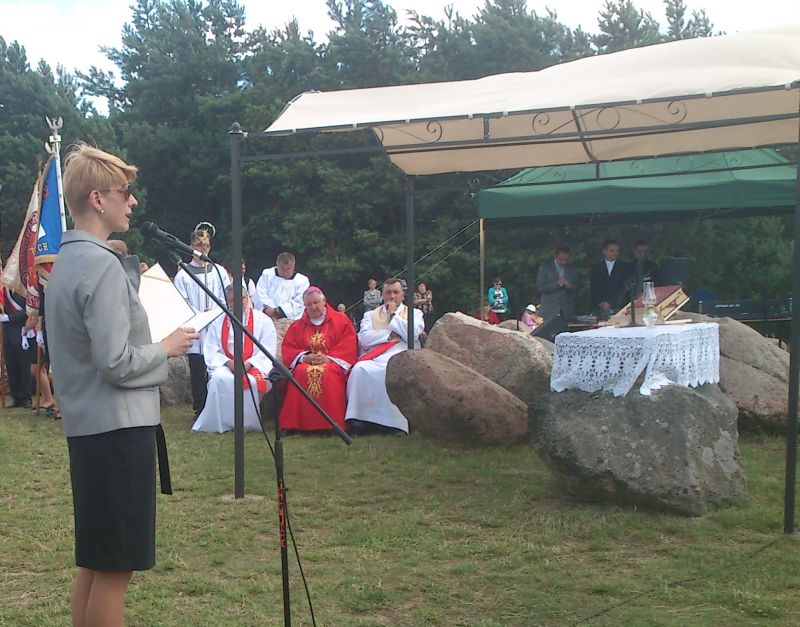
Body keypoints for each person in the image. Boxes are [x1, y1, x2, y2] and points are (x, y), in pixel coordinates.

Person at [45, 143, 197, 627]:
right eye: (124, 192)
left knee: (97, 561)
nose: (132, 202)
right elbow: (115, 361)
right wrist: (167, 348)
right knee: (115, 569)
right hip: (117, 431)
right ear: (97, 198)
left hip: (89, 429)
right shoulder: (103, 266)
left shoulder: (66, 262)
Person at [192, 286, 276, 434]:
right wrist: (228, 363)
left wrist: (249, 363)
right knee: (219, 379)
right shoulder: (218, 321)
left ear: (247, 298)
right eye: (232, 300)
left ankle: (248, 423)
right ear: (227, 302)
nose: (238, 303)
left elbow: (268, 348)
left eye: (241, 299)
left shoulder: (263, 320)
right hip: (226, 363)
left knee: (251, 381)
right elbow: (211, 348)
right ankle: (222, 421)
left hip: (254, 364)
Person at [345, 278, 424, 436]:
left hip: (401, 353)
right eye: (388, 292)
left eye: (396, 292)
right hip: (377, 354)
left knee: (395, 370)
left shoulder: (414, 313)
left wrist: (393, 315)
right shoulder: (370, 314)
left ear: (403, 295)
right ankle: (358, 421)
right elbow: (364, 338)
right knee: (360, 369)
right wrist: (390, 335)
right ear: (382, 295)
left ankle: (395, 424)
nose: (392, 296)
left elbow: (413, 334)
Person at [279, 287, 358, 433]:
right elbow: (289, 348)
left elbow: (348, 344)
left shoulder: (341, 321)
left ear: (324, 301)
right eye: (309, 304)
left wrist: (328, 358)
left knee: (327, 375)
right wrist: (304, 357)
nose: (313, 307)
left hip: (333, 363)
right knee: (300, 374)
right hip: (306, 363)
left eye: (316, 302)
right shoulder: (298, 326)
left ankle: (333, 424)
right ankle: (294, 424)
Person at [173, 227, 230, 418]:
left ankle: (219, 405)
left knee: (217, 365)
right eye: (199, 245)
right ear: (191, 246)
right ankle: (200, 408)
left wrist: (214, 312)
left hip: (215, 324)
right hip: (196, 326)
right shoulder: (184, 273)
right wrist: (200, 315)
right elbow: (182, 301)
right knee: (198, 368)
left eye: (206, 245)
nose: (203, 249)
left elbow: (225, 297)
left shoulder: (219, 271)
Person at [1, 287, 33, 408]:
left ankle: (26, 397)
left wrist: (10, 318)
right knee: (11, 365)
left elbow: (29, 311)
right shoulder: (3, 291)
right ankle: (16, 397)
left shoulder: (24, 290)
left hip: (21, 330)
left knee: (23, 365)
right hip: (7, 333)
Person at [256, 252, 310, 321]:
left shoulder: (302, 281)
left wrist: (278, 311)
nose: (285, 272)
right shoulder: (267, 275)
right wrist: (269, 310)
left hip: (291, 320)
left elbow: (299, 302)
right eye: (282, 269)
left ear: (293, 267)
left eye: (288, 269)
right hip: (267, 317)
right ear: (277, 265)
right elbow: (260, 293)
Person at [589, 239, 632, 319]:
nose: (615, 253)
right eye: (612, 250)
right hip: (599, 308)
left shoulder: (626, 267)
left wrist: (611, 302)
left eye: (617, 251)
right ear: (604, 251)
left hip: (619, 306)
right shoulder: (596, 268)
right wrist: (601, 302)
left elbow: (624, 288)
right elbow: (594, 287)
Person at [536, 246, 580, 322]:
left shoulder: (572, 269)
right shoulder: (545, 268)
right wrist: (556, 284)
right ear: (555, 256)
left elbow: (577, 287)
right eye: (561, 260)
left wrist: (570, 286)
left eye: (566, 260)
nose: (564, 262)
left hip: (566, 310)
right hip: (549, 309)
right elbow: (540, 287)